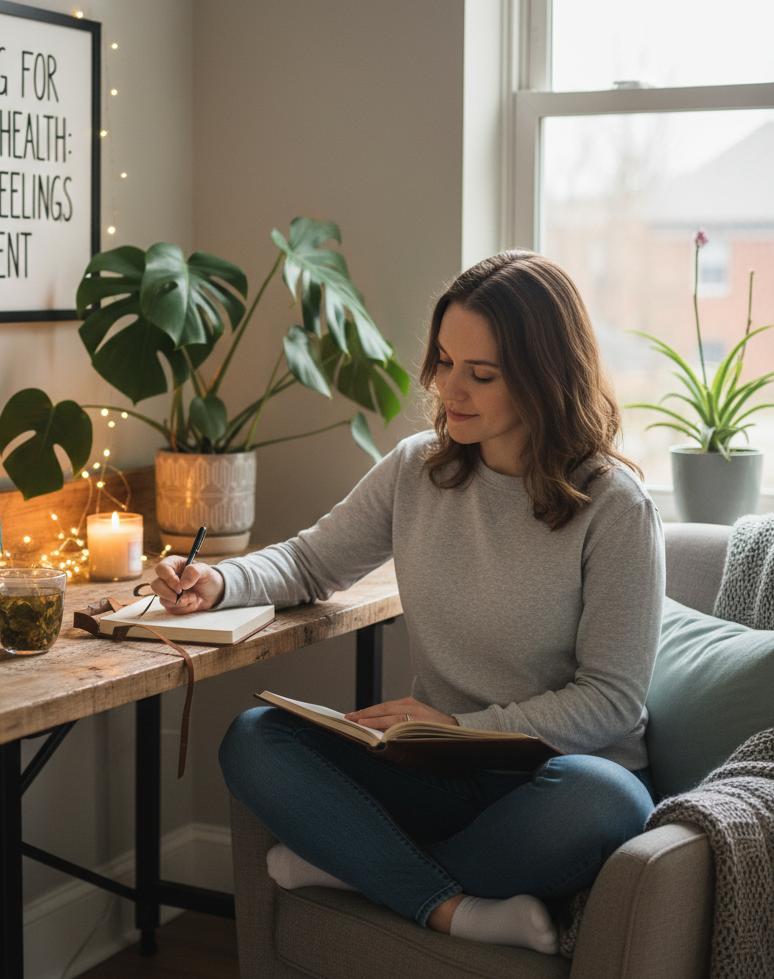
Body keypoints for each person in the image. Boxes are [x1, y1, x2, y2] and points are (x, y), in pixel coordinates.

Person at [149, 250, 664, 955]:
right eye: (445, 360)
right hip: (440, 777)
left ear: (547, 379)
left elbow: (613, 700)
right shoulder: (417, 471)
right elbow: (308, 562)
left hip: (554, 780)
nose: (450, 388)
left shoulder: (614, 508)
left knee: (608, 800)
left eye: (481, 374)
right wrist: (217, 581)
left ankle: (359, 871)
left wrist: (459, 724)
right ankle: (454, 905)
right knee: (256, 738)